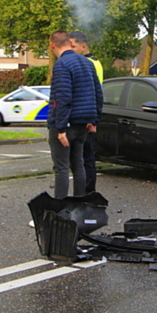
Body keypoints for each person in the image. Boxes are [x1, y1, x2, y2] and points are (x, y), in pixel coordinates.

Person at [47, 30, 103, 199]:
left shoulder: (62, 64)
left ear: (52, 45)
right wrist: (94, 119)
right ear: (70, 43)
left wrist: (61, 127)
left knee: (61, 168)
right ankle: (80, 206)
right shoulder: (87, 63)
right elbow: (97, 93)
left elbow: (63, 98)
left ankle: (60, 211)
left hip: (66, 124)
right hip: (83, 125)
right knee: (78, 165)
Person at [69, 31, 104, 194]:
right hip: (88, 114)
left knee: (86, 158)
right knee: (85, 158)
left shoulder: (87, 64)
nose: (71, 50)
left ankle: (87, 194)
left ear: (83, 47)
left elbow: (93, 92)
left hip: (86, 117)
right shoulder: (93, 62)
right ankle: (86, 193)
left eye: (73, 46)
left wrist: (92, 118)